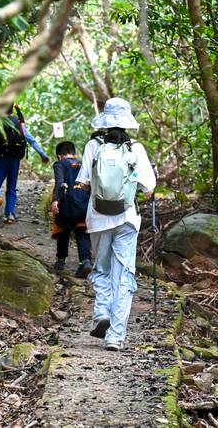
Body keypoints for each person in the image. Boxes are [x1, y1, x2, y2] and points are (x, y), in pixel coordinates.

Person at [76, 97, 156, 351]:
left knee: (101, 268)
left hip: (98, 219)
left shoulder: (93, 145)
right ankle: (116, 336)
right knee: (123, 275)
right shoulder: (136, 149)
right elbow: (148, 189)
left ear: (105, 120)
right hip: (127, 219)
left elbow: (83, 183)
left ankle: (102, 313)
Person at [0, 105, 50, 223]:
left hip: (1, 158)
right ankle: (10, 215)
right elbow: (31, 140)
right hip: (15, 159)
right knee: (12, 188)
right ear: (12, 110)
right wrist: (43, 155)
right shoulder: (19, 123)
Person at [50, 141, 93, 278]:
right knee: (82, 231)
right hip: (84, 203)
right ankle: (85, 261)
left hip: (68, 203)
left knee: (62, 228)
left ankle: (61, 260)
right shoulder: (84, 163)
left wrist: (55, 200)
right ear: (74, 154)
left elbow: (59, 182)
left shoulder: (59, 164)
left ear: (59, 156)